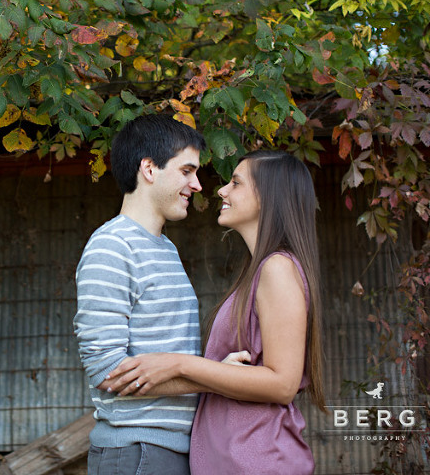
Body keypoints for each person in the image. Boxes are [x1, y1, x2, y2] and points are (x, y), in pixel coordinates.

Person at [101, 150, 326, 475]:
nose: (221, 190)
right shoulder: (260, 271)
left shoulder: (278, 268)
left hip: (259, 462)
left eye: (235, 183)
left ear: (268, 197)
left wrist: (178, 364)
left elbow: (282, 384)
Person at [73, 114, 207, 475]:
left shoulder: (164, 249)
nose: (196, 184)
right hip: (138, 452)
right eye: (186, 171)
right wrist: (214, 377)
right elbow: (107, 371)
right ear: (149, 168)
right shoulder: (112, 246)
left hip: (168, 449)